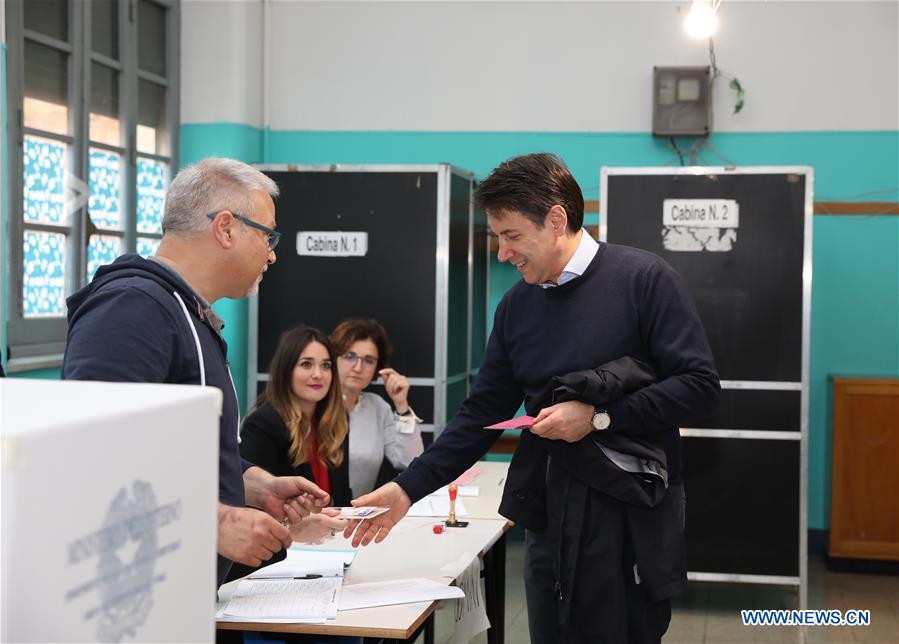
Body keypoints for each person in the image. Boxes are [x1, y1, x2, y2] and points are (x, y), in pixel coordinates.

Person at [345, 153, 721, 643]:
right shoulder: (517, 306)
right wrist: (407, 490)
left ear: (556, 220)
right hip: (549, 514)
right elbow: (482, 412)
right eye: (497, 238)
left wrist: (599, 417)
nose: (503, 254)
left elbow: (699, 387)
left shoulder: (644, 281)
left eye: (512, 236)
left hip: (631, 515)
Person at [62, 157, 329, 588]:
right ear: (226, 228)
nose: (272, 253)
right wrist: (215, 520)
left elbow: (175, 450)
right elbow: (93, 453)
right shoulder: (131, 308)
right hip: (136, 588)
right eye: (268, 235)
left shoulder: (186, 313)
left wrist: (252, 485)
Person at [330, 318, 424, 496]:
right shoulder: (314, 406)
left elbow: (410, 462)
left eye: (369, 360)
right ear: (333, 359)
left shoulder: (378, 407)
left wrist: (401, 405)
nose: (358, 367)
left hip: (359, 509)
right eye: (350, 356)